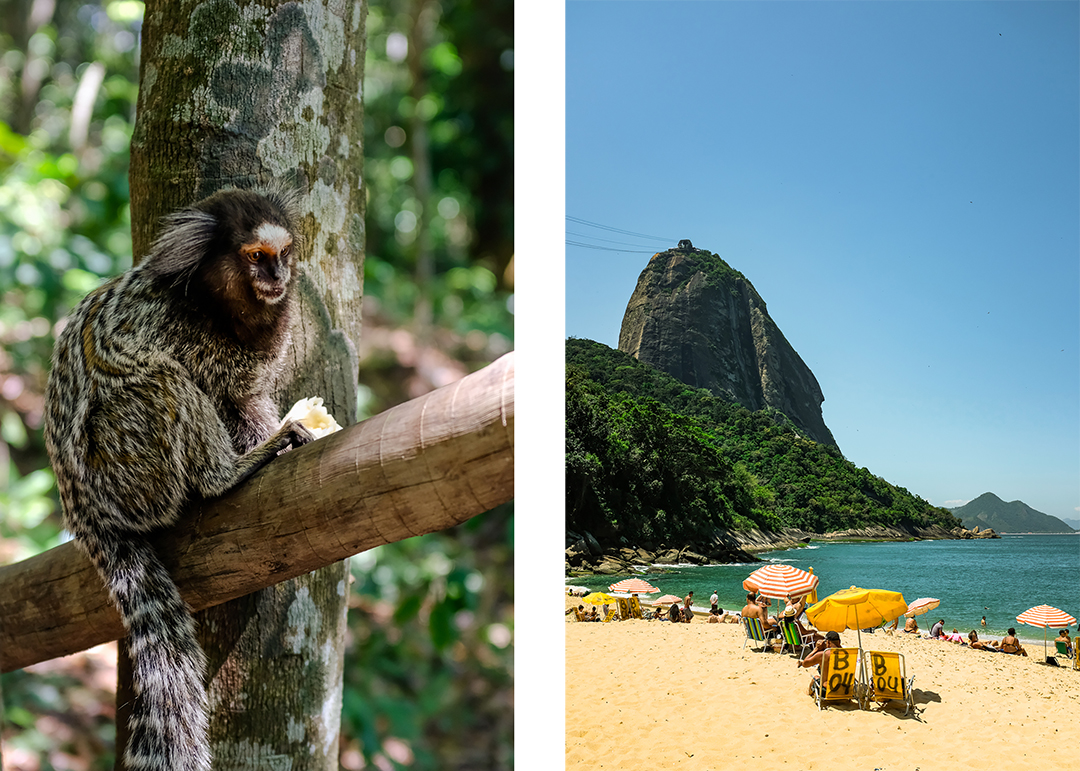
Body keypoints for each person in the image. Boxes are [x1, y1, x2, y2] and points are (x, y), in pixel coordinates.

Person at [798, 630, 843, 695]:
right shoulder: (849, 654)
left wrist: (816, 649)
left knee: (816, 678)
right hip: (844, 689)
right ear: (839, 642)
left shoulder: (823, 655)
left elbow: (805, 664)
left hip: (827, 691)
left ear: (828, 642)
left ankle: (809, 694)